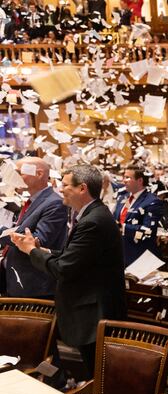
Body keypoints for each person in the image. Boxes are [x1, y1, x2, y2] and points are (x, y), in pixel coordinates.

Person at [11, 164, 126, 379]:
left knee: (99, 376)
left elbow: (64, 268)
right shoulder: (92, 214)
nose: (60, 189)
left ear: (82, 188)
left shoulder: (93, 221)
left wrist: (32, 251)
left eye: (64, 185)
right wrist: (42, 249)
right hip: (91, 310)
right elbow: (74, 256)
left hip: (94, 314)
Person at [0, 157, 68, 298]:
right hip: (15, 278)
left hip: (33, 284)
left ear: (39, 174)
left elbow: (37, 240)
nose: (13, 177)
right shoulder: (32, 200)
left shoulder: (54, 203)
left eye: (19, 172)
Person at [114, 164, 163, 266]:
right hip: (120, 254)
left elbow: (148, 231)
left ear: (140, 181)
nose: (124, 180)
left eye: (128, 177)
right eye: (124, 177)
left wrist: (123, 228)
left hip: (140, 257)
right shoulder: (122, 198)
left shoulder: (152, 201)